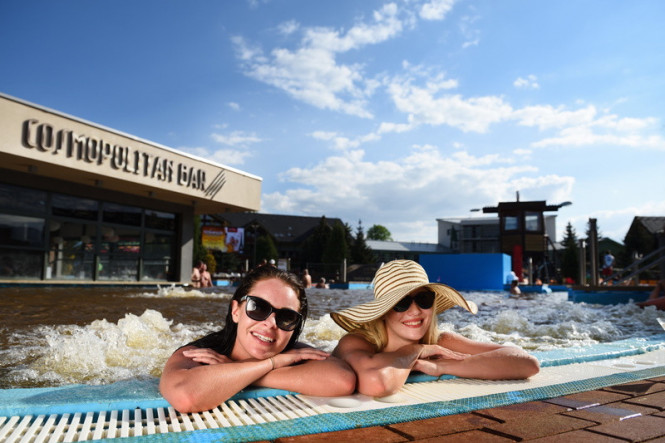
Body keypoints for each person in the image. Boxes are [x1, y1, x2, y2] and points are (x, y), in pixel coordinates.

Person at [160, 265, 356, 413]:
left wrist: (243, 369)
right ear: (236, 311)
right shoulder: (199, 353)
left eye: (286, 317)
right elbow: (185, 397)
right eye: (258, 307)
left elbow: (342, 380)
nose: (271, 324)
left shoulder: (293, 352)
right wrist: (273, 363)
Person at [331, 260, 540, 398]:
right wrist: (416, 350)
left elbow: (526, 363)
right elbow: (377, 384)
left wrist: (442, 367)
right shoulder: (356, 342)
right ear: (383, 312)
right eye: (401, 303)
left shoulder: (440, 343)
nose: (415, 311)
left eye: (423, 299)